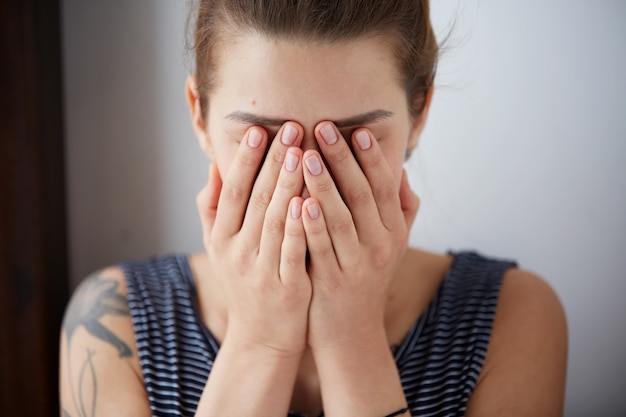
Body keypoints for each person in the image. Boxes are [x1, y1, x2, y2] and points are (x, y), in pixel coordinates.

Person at [59, 1, 568, 416]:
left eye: (353, 140)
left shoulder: (512, 317)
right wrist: (260, 341)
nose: (305, 182)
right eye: (265, 140)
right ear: (199, 115)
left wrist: (352, 339)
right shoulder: (112, 324)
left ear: (420, 112)